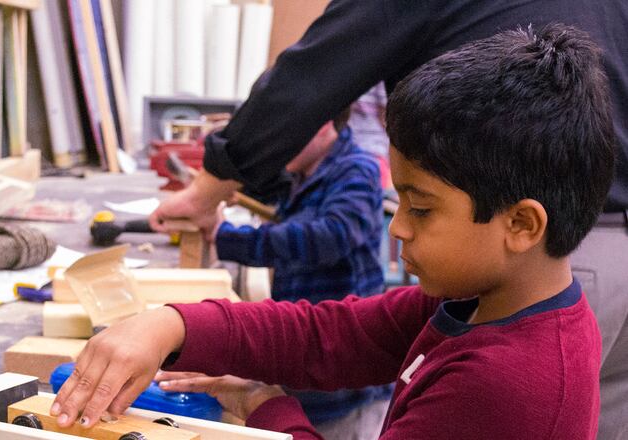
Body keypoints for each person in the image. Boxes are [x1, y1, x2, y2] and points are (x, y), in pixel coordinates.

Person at [51, 24, 615, 439]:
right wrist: (172, 323)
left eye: (420, 209)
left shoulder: (507, 383)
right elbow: (330, 334)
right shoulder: (476, 300)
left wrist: (265, 406)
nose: (397, 227)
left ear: (520, 223)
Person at [213, 107, 391, 438]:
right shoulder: (304, 172)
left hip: (343, 380)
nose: (280, 144)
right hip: (308, 362)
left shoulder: (356, 169)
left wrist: (229, 239)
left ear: (323, 124)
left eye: (288, 132)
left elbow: (330, 238)